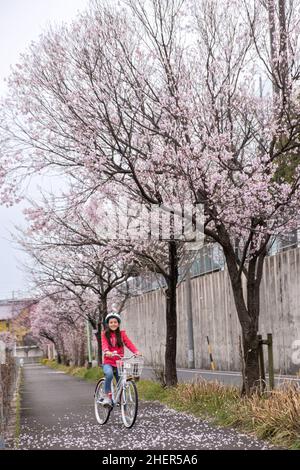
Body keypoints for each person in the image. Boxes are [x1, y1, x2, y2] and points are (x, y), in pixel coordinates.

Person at [101, 312, 142, 406]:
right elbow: (104, 345)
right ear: (108, 324)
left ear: (118, 323)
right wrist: (107, 351)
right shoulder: (104, 334)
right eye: (111, 322)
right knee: (109, 374)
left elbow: (128, 343)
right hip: (108, 362)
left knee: (121, 381)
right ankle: (107, 396)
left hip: (119, 362)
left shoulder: (122, 334)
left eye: (115, 322)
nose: (113, 324)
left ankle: (121, 399)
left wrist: (136, 351)